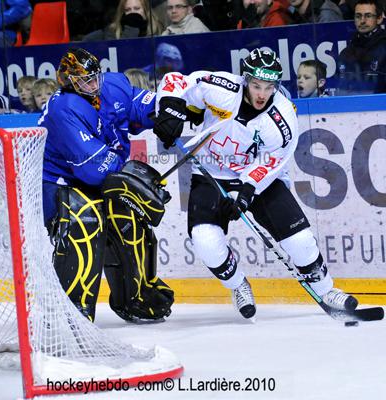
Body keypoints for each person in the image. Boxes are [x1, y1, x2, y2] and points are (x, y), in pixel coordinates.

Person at [152, 48, 359, 320]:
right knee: (205, 240)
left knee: (300, 240)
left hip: (259, 178)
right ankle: (238, 285)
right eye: (257, 85)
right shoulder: (223, 88)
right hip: (212, 172)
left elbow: (275, 159)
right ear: (246, 79)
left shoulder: (282, 116)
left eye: (269, 87)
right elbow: (176, 82)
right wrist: (170, 111)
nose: (262, 94)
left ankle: (326, 290)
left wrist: (247, 190)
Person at [39, 48, 175, 323]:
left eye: (95, 77)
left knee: (130, 221)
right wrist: (130, 178)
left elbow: (143, 105)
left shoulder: (113, 85)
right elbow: (92, 168)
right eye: (85, 80)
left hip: (102, 176)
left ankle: (135, 299)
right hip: (62, 182)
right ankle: (71, 313)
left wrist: (170, 113)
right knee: (84, 224)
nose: (93, 84)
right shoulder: (63, 108)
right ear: (68, 82)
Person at [337, 0, 385, 95]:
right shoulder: (346, 53)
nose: (362, 21)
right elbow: (341, 89)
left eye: (368, 16)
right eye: (358, 16)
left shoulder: (384, 47)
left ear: (379, 18)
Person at [83, 0, 164, 41]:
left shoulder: (157, 28)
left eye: (137, 8)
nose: (132, 12)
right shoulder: (113, 31)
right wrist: (132, 27)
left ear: (145, 11)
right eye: (128, 10)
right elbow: (122, 53)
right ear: (123, 13)